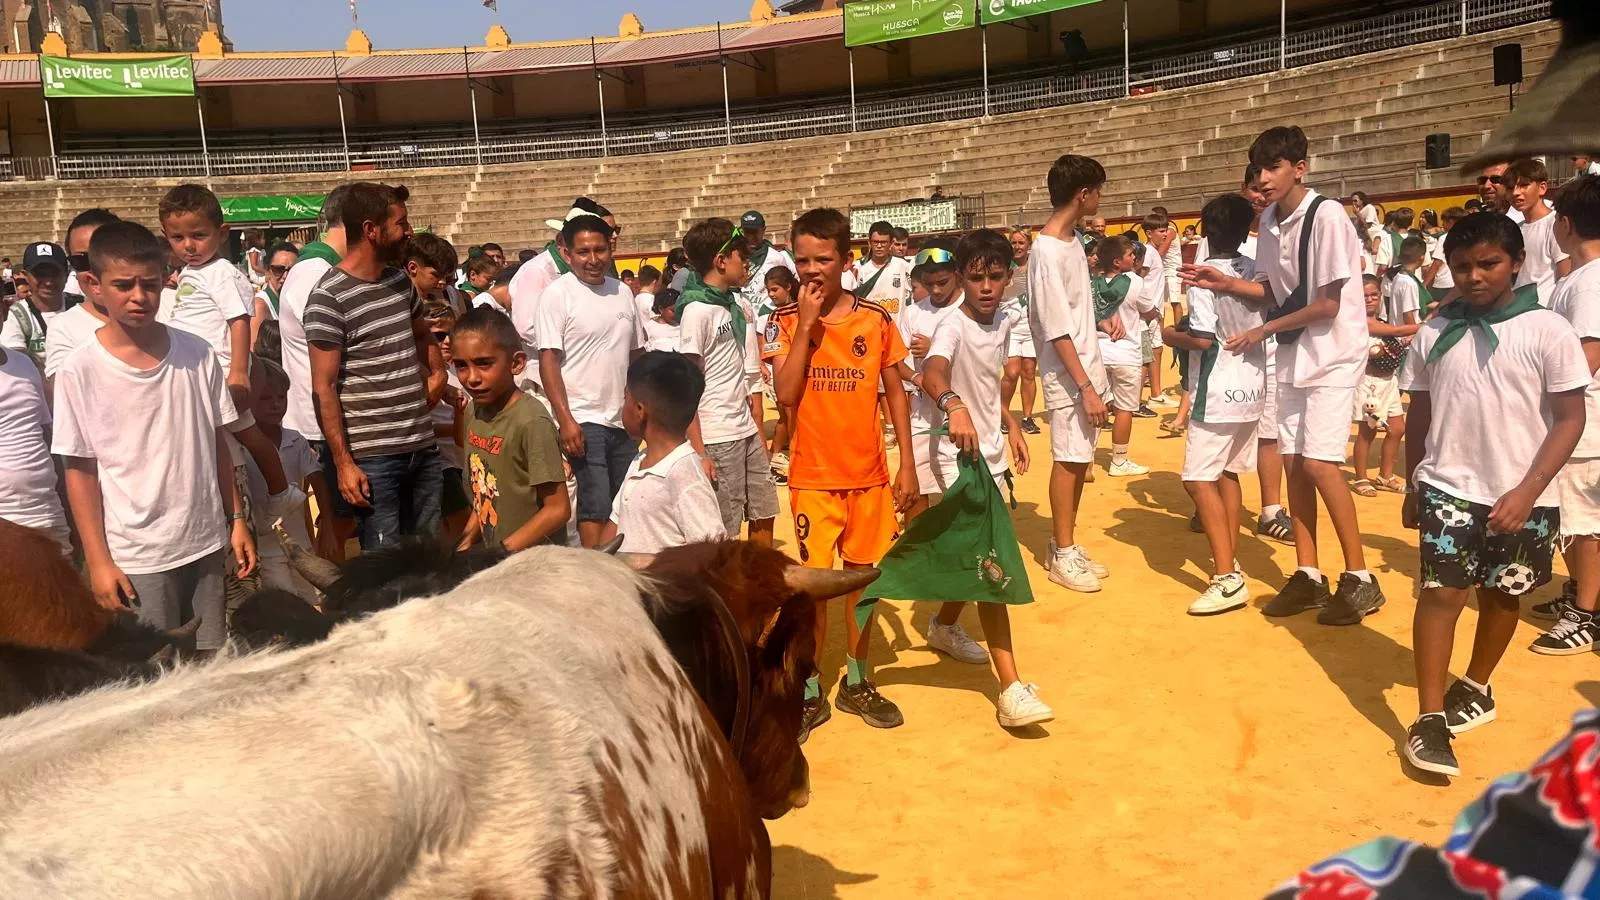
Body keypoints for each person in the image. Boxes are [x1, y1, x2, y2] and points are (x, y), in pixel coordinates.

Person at [1397, 212, 1588, 777]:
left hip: (1525, 493)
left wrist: (1528, 491)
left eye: (1488, 264)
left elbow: (1569, 419)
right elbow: (1421, 414)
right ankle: (1429, 718)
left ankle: (1477, 684)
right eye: (1461, 266)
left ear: (1516, 264)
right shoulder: (1434, 331)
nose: (1474, 277)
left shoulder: (1548, 330)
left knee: (1502, 596)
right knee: (1441, 595)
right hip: (1449, 485)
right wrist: (1414, 483)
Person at [1182, 125, 1383, 624]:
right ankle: (1309, 574)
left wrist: (1262, 330)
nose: (1263, 179)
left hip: (1334, 351)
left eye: (1272, 168)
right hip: (1295, 353)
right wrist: (1227, 282)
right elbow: (1271, 290)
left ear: (1300, 168)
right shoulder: (1268, 220)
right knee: (1293, 462)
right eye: (1257, 171)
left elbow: (1328, 303)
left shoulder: (1328, 215)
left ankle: (1359, 577)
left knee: (1318, 465)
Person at [53, 220, 255, 655]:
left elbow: (217, 442)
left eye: (149, 283)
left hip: (203, 541)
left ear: (166, 278)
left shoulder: (197, 352)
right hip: (137, 555)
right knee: (152, 677)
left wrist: (235, 519)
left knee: (210, 663)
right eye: (123, 285)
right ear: (95, 284)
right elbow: (81, 471)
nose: (139, 297)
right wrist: (100, 562)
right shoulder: (79, 370)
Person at [769, 207, 917, 732]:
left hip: (870, 477)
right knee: (813, 588)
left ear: (845, 260)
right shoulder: (785, 324)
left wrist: (908, 465)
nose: (811, 270)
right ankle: (811, 688)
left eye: (823, 259)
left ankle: (857, 681)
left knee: (862, 584)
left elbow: (895, 391)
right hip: (813, 479)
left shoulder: (875, 320)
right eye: (802, 259)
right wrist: (807, 324)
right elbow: (785, 397)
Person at [905, 228, 1052, 726]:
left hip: (989, 451)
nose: (986, 286)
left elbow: (991, 385)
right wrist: (953, 405)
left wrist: (1011, 425)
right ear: (962, 279)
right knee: (992, 562)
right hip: (955, 452)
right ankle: (1010, 689)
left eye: (994, 276)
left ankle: (944, 626)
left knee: (973, 556)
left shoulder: (1005, 322)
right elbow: (934, 373)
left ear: (1009, 278)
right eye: (976, 277)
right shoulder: (950, 325)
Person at [304, 182, 447, 550]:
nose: (409, 231)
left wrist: (439, 373)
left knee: (429, 560)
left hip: (421, 447)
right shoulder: (328, 298)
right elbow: (324, 388)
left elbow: (421, 336)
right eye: (400, 223)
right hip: (374, 460)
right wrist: (343, 463)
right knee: (385, 569)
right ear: (371, 230)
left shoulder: (400, 282)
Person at [159, 184, 294, 511]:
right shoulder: (190, 272)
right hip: (200, 372)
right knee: (233, 436)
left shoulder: (221, 273)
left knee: (246, 434)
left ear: (221, 234)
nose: (188, 245)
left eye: (198, 235)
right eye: (178, 238)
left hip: (221, 371)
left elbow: (239, 321)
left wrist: (238, 373)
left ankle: (281, 492)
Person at [1163, 195, 1263, 616]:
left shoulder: (1202, 276)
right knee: (1228, 475)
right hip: (1253, 386)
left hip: (1217, 388)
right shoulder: (1255, 271)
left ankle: (1226, 576)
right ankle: (1229, 559)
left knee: (1198, 479)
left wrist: (1170, 336)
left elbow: (1203, 339)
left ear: (1204, 231)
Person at [1030, 154, 1113, 593]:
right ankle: (1062, 553)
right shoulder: (1045, 250)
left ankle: (1066, 542)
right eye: (1097, 190)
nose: (1100, 198)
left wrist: (1099, 323)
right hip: (1069, 376)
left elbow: (1074, 312)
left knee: (1081, 461)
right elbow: (1055, 327)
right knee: (1068, 460)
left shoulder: (1072, 243)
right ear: (1083, 195)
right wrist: (1084, 387)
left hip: (1085, 366)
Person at [536, 213, 644, 549]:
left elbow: (636, 355)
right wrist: (565, 419)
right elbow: (548, 360)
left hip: (623, 419)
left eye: (600, 250)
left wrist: (639, 408)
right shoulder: (558, 295)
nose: (593, 260)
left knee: (625, 503)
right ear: (566, 253)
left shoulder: (623, 293)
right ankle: (595, 575)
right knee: (595, 507)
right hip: (584, 419)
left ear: (611, 249)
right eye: (583, 252)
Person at [1531, 174, 1600, 653]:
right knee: (1573, 518)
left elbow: (1588, 354)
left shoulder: (1591, 282)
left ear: (1567, 224)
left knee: (1583, 521)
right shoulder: (1577, 277)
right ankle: (1582, 593)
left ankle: (1587, 612)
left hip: (1587, 422)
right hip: (1577, 419)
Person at [676, 217, 776, 546]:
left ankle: (761, 583)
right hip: (718, 435)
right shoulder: (697, 312)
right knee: (727, 527)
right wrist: (700, 451)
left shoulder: (734, 304)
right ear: (721, 261)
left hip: (744, 426)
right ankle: (732, 594)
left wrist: (757, 427)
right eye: (739, 256)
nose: (745, 262)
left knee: (765, 510)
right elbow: (688, 387)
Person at [451, 306, 570, 552]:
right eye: (461, 366)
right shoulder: (474, 411)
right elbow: (482, 497)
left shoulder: (531, 421)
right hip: (499, 563)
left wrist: (501, 553)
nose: (471, 377)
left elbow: (557, 509)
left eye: (484, 364)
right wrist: (462, 547)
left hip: (534, 566)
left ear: (516, 363)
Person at [278, 187, 353, 560]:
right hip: (319, 424)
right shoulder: (315, 273)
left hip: (322, 420)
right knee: (335, 526)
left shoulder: (317, 269)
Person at [611, 351, 726, 554]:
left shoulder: (685, 477)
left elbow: (714, 557)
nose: (623, 404)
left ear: (639, 410)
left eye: (625, 397)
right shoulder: (639, 462)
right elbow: (616, 523)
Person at [245, 357, 324, 601]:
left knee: (310, 599)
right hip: (266, 547)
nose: (275, 405)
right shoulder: (241, 447)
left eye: (281, 397)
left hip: (299, 543)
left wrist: (328, 526)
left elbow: (318, 482)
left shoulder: (296, 440)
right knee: (286, 604)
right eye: (266, 398)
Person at [897, 242, 966, 517]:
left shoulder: (968, 308)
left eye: (942, 282)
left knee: (962, 492)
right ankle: (918, 552)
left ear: (957, 274)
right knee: (917, 490)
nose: (935, 290)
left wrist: (934, 351)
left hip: (962, 413)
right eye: (928, 283)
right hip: (923, 415)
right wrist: (917, 377)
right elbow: (895, 361)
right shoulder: (914, 312)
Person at [1092, 235, 1155, 477]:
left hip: (1099, 352)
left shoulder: (1093, 283)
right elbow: (1148, 310)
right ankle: (1119, 460)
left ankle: (1086, 459)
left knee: (1096, 406)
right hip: (1127, 352)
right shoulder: (1135, 282)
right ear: (1118, 262)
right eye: (1130, 255)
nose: (1134, 259)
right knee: (1124, 409)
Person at [0, 334, 69, 550]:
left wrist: (66, 506)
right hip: (5, 520)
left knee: (59, 581)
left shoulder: (23, 364)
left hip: (47, 510)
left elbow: (45, 435)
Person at [1349, 275, 1413, 498]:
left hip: (1389, 382)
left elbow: (1394, 338)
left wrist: (1404, 341)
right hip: (1370, 383)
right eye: (1364, 296)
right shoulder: (1359, 321)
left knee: (1397, 429)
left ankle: (1385, 475)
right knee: (1367, 432)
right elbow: (1395, 333)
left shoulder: (1382, 322)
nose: (1369, 299)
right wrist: (1422, 326)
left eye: (1374, 295)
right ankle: (1360, 477)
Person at [44, 211, 121, 382]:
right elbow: (64, 392)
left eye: (104, 256)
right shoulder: (63, 327)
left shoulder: (171, 306)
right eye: (82, 261)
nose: (95, 270)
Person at [422, 302, 470, 543]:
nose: (448, 342)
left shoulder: (463, 369)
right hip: (441, 464)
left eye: (452, 334)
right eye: (439, 336)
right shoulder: (423, 375)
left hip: (464, 461)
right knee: (459, 526)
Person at [1508, 157, 1572, 307]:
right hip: (1517, 312)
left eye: (1524, 185)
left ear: (1542, 188)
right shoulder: (1515, 229)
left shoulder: (1555, 224)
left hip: (1545, 312)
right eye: (1511, 187)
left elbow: (1565, 275)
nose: (1516, 192)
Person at [2, 242, 69, 370]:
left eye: (54, 273)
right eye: (40, 274)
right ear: (26, 276)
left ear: (66, 275)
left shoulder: (82, 305)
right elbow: (18, 366)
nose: (48, 282)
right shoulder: (16, 316)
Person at [1000, 227, 1041, 435]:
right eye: (1013, 243)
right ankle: (1003, 414)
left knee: (1028, 373)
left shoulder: (1036, 266)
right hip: (1011, 327)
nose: (1017, 247)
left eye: (1020, 243)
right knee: (1011, 373)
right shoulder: (1005, 266)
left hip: (1031, 327)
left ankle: (1027, 417)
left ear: (1028, 245)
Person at [761, 266, 800, 484]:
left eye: (775, 289)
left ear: (788, 287)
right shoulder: (776, 317)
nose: (771, 294)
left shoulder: (806, 309)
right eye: (768, 290)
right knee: (787, 415)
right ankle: (785, 456)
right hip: (786, 376)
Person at [734, 210, 797, 341]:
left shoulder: (776, 257)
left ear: (763, 230)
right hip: (742, 320)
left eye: (755, 232)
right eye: (747, 232)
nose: (751, 236)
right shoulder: (735, 257)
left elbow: (787, 285)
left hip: (767, 320)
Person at [1140, 210, 1175, 412]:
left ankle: (1156, 392)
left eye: (1166, 230)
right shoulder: (1148, 253)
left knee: (1156, 349)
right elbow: (1138, 278)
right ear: (1149, 233)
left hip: (1154, 310)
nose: (1165, 235)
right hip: (1148, 311)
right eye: (1161, 231)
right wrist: (1148, 307)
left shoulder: (1152, 253)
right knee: (1150, 352)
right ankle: (1153, 393)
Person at [250, 243, 299, 347]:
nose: (285, 276)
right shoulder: (260, 306)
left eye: (292, 270)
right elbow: (254, 351)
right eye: (278, 269)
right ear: (267, 271)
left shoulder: (294, 301)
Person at [403, 233, 461, 312]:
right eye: (436, 275)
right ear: (413, 268)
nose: (443, 282)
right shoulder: (402, 303)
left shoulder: (446, 296)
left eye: (447, 278)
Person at [643, 288, 681, 352]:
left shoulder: (682, 325)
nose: (677, 314)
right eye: (673, 311)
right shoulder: (649, 328)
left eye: (679, 310)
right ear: (661, 309)